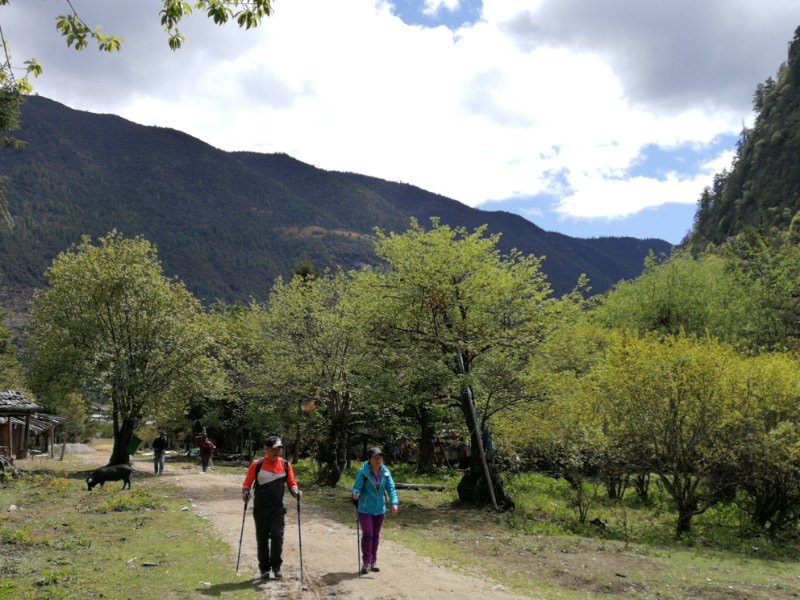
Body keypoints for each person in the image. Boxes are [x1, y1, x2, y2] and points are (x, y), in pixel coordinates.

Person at [242, 436, 301, 581]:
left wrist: (295, 492)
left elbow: (292, 483)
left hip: (278, 508)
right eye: (273, 449)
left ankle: (276, 567)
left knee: (277, 535)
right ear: (266, 450)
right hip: (260, 508)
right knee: (262, 538)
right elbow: (247, 483)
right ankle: (264, 569)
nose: (276, 452)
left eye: (279, 449)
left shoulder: (286, 465)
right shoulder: (257, 464)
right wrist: (245, 493)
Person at [352, 447, 399, 575]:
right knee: (368, 535)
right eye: (375, 457)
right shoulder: (363, 472)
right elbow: (356, 487)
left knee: (376, 536)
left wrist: (394, 503)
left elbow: (391, 489)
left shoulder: (386, 472)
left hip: (380, 510)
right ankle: (366, 562)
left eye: (380, 457)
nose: (378, 460)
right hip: (365, 509)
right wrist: (355, 493)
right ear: (370, 459)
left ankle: (374, 561)